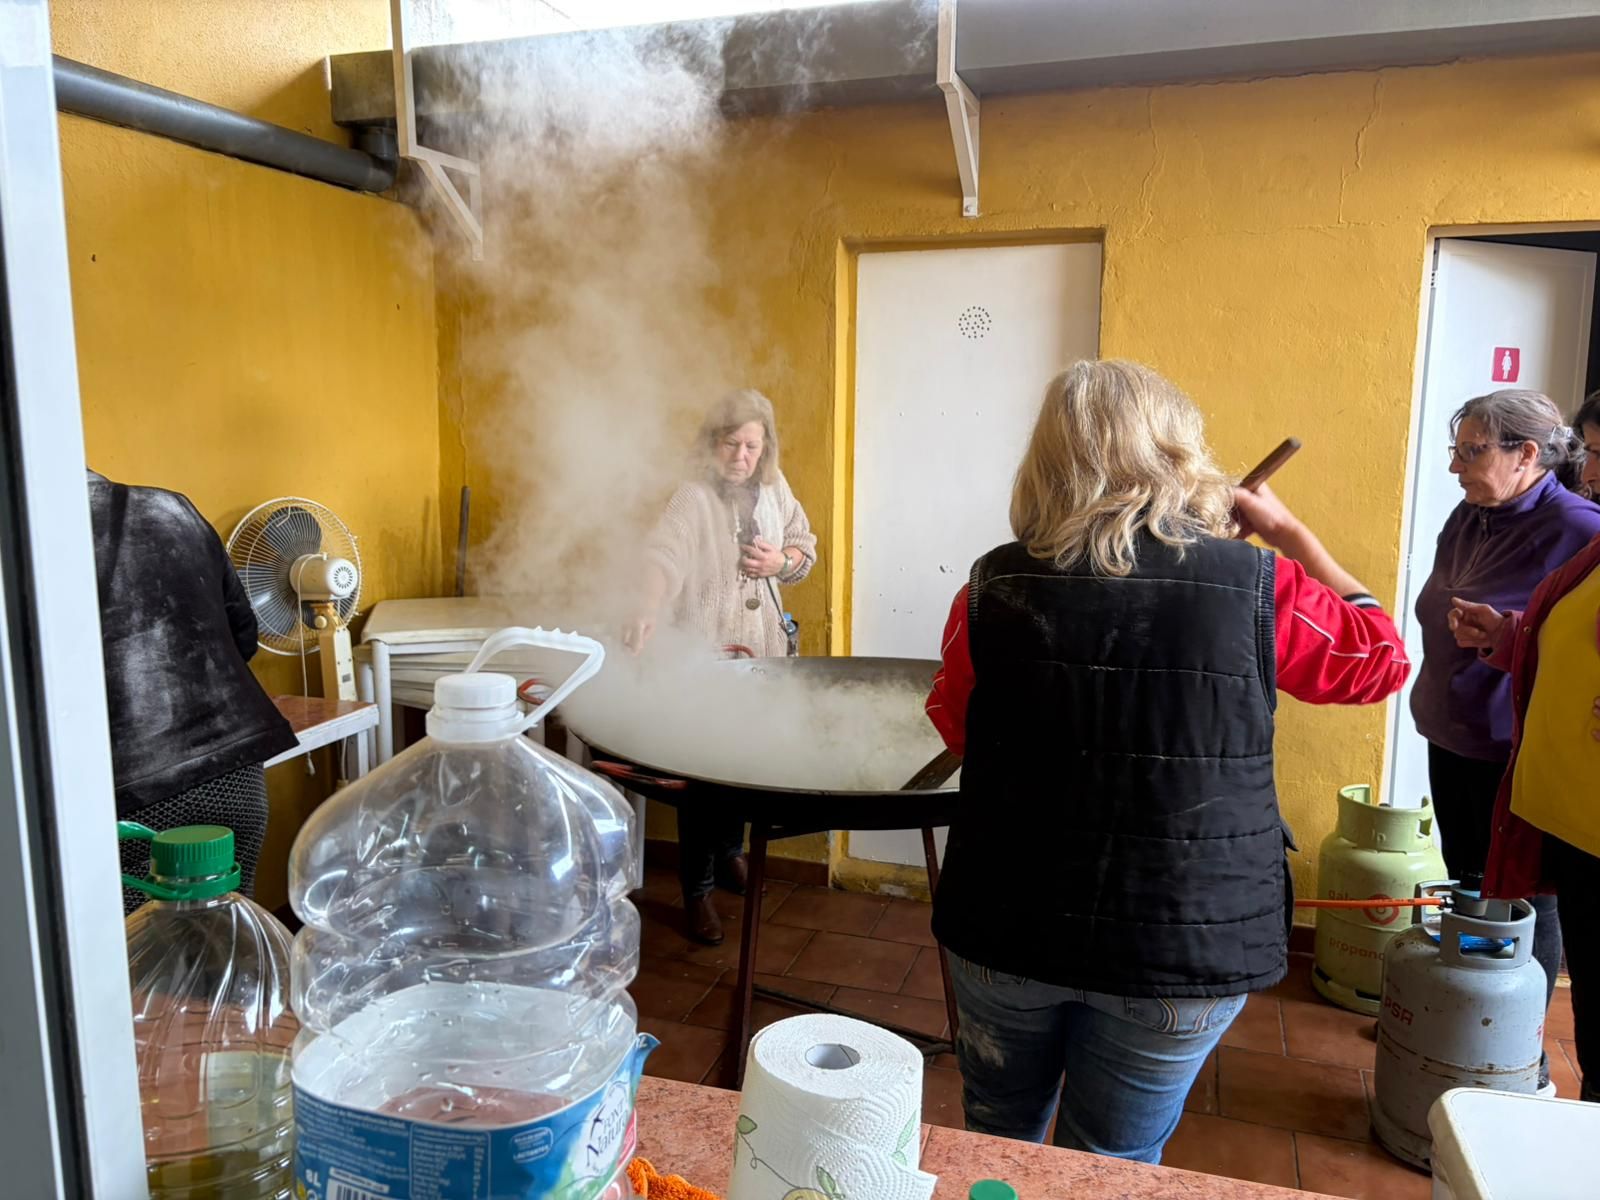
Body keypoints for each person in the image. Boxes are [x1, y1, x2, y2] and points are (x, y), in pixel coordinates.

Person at [924, 360, 1410, 1162]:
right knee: (1113, 1166)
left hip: (1006, 922)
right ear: (1179, 454)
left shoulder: (988, 587)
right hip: (1181, 942)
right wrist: (1292, 537)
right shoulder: (1259, 585)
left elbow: (957, 725)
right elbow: (1383, 661)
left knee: (997, 1148)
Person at [1408, 389, 1598, 1087]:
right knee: (1467, 879)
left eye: (1473, 449)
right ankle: (1457, 1021)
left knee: (1524, 898)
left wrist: (1506, 631)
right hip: (1452, 729)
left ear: (1527, 454)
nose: (1456, 466)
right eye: (1456, 448)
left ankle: (1522, 1050)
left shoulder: (1578, 527)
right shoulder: (1472, 512)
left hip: (1514, 747)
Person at [624, 389, 817, 945]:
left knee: (745, 765)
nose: (742, 455)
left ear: (766, 447)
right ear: (712, 444)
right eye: (732, 443)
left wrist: (783, 561)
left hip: (763, 661)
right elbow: (662, 556)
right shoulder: (691, 499)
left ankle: (732, 854)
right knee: (703, 779)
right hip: (705, 660)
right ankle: (698, 891)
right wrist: (646, 606)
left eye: (752, 445)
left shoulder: (777, 490)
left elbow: (806, 547)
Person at [89, 470, 298, 916]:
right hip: (235, 771)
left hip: (131, 794)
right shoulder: (172, 507)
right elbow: (243, 633)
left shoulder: (32, 535)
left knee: (142, 957)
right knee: (226, 931)